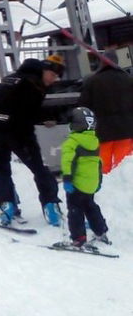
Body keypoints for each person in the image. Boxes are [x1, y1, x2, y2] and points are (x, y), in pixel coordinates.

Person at [0, 58, 63, 226]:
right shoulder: (33, 85)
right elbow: (28, 113)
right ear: (42, 70)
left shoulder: (10, 79)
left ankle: (6, 206)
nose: (53, 79)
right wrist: (44, 119)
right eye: (52, 75)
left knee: (2, 170)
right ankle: (51, 205)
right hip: (18, 133)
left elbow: (0, 103)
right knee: (39, 169)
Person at [60, 106, 110, 248]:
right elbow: (98, 163)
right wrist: (99, 181)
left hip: (76, 184)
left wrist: (67, 179)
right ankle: (101, 231)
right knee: (90, 206)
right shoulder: (94, 141)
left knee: (75, 209)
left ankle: (79, 238)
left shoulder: (72, 142)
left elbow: (68, 161)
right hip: (91, 183)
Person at [78, 48, 133, 174]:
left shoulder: (92, 81)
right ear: (116, 61)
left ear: (101, 62)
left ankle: (104, 184)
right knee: (123, 167)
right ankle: (122, 185)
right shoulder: (128, 79)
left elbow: (83, 106)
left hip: (102, 132)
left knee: (102, 167)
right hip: (126, 130)